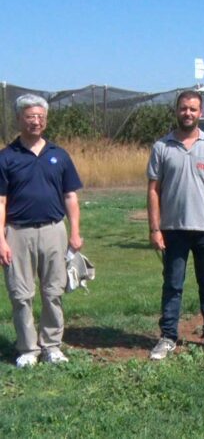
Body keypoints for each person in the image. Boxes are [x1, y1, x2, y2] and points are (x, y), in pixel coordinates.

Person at [0, 94, 83, 368]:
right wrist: (1, 239)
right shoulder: (6, 157)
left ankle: (51, 345)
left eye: (40, 117)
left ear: (45, 120)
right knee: (21, 294)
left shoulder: (59, 155)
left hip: (53, 231)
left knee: (53, 291)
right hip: (17, 232)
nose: (35, 121)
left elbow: (70, 196)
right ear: (19, 119)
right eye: (30, 116)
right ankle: (27, 349)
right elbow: (1, 202)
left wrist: (75, 233)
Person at [147, 90, 204, 360]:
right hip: (173, 229)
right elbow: (153, 191)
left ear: (201, 113)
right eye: (184, 108)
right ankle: (168, 336)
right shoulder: (162, 147)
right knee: (173, 284)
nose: (188, 113)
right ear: (177, 111)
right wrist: (155, 228)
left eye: (193, 109)